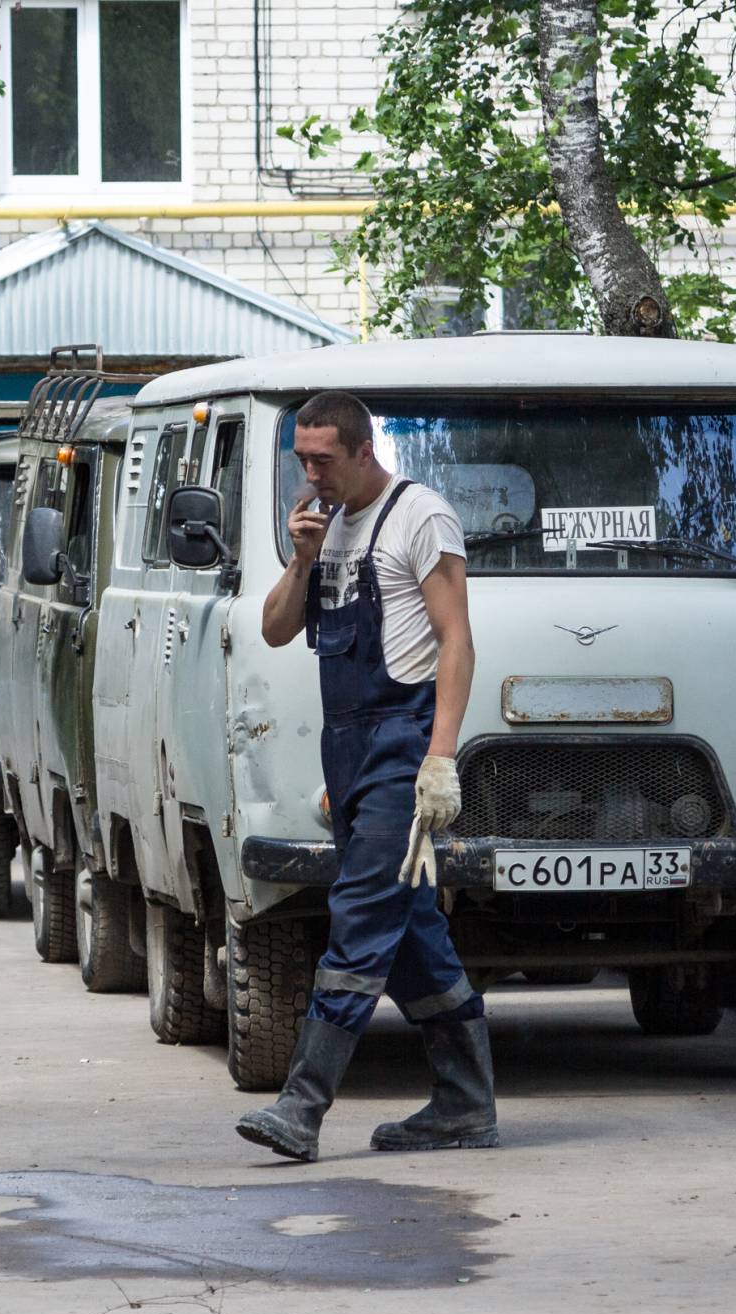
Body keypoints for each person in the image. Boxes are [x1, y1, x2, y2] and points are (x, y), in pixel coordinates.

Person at [236, 390, 496, 1162]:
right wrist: (304, 557)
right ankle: (464, 1101)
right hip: (345, 748)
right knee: (412, 934)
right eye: (301, 461)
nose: (310, 475)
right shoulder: (330, 528)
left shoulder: (421, 516)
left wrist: (439, 757)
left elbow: (458, 641)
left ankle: (301, 1107)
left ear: (360, 450)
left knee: (357, 915)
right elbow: (277, 628)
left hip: (401, 741)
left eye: (323, 460)